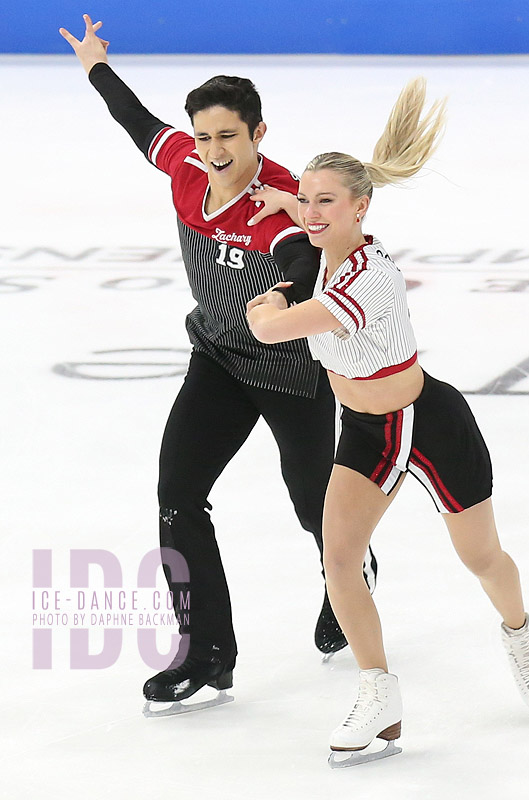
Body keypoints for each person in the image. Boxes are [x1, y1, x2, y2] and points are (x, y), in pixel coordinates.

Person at [59, 14, 378, 713]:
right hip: (219, 358)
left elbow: (302, 259)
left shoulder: (279, 201)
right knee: (177, 495)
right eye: (204, 137)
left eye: (228, 136)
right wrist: (95, 65)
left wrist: (285, 294)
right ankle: (205, 653)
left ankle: (349, 575)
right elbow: (137, 123)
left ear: (258, 134)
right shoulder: (185, 167)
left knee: (313, 507)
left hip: (291, 370)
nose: (213, 151)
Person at [246, 77, 529, 766]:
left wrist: (267, 301)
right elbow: (297, 223)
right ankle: (378, 693)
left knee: (481, 558)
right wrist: (289, 205)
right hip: (366, 432)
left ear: (361, 207)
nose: (313, 212)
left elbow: (270, 328)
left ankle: (520, 632)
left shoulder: (369, 277)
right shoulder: (318, 248)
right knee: (339, 559)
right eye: (308, 199)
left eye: (328, 201)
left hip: (429, 422)